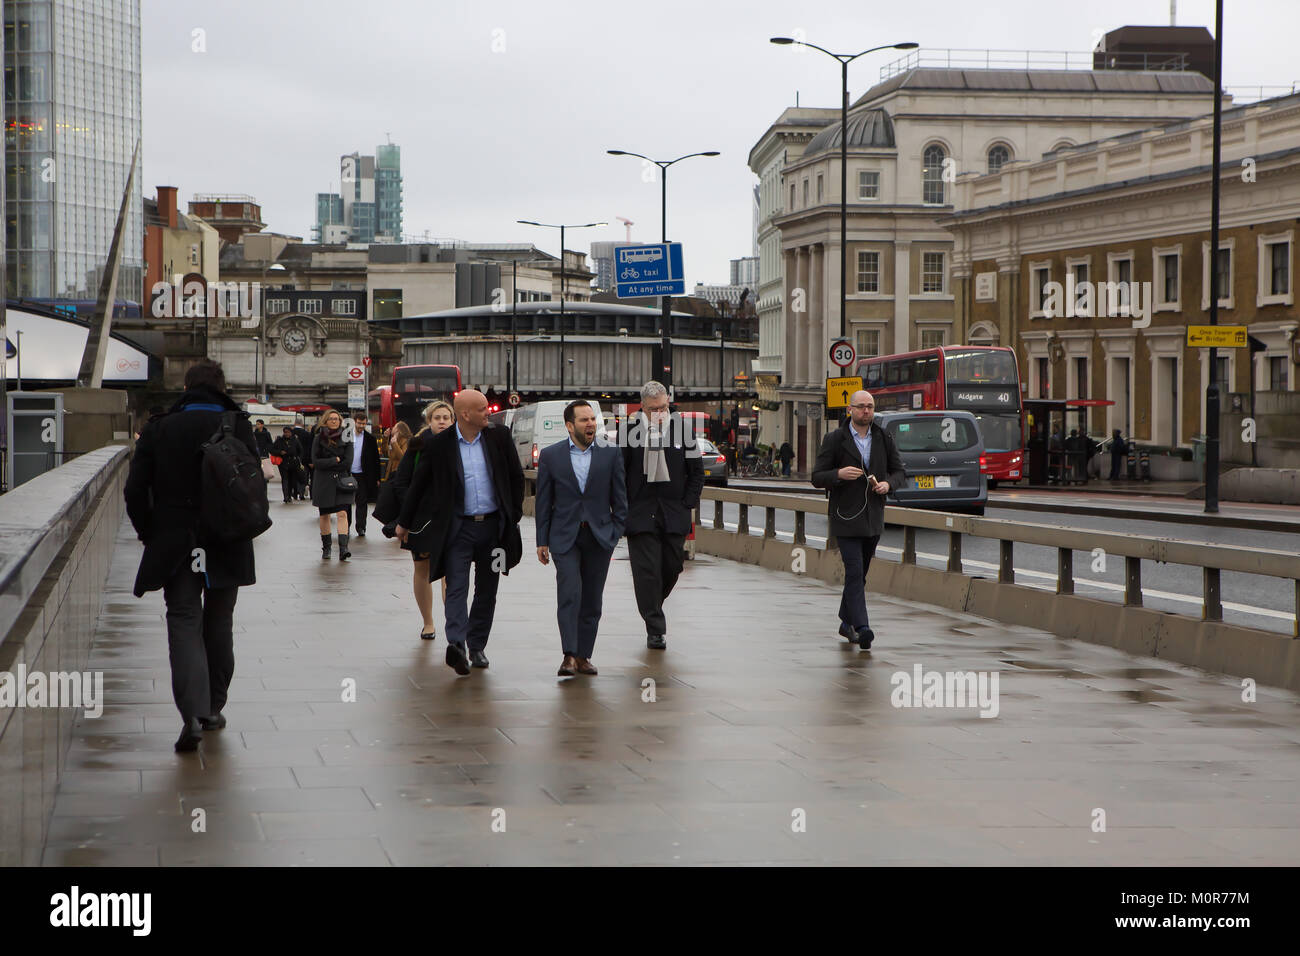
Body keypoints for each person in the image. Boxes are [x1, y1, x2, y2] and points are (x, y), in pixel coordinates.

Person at [123, 359, 257, 753]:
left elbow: (134, 491)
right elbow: (251, 485)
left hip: (177, 538)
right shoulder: (237, 424)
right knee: (220, 620)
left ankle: (192, 714)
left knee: (183, 619)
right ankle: (214, 707)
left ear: (186, 387)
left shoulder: (160, 427)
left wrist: (151, 532)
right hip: (227, 538)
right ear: (221, 386)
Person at [395, 389, 524, 675]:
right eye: (481, 409)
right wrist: (403, 523)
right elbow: (418, 485)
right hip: (458, 530)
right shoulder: (439, 445)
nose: (487, 412)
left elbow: (516, 477)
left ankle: (477, 645)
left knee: (488, 589)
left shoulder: (499, 437)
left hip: (494, 530)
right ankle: (457, 646)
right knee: (456, 586)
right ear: (465, 414)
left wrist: (512, 515)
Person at [535, 400, 627, 677]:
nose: (591, 424)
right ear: (569, 425)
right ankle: (569, 656)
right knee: (570, 593)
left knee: (591, 600)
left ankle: (584, 656)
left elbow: (620, 499)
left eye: (592, 419)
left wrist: (614, 533)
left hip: (599, 537)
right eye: (584, 420)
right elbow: (543, 501)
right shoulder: (551, 456)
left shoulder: (611, 454)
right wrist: (542, 539)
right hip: (564, 537)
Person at [811, 389, 905, 650]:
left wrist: (888, 484)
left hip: (872, 517)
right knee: (853, 570)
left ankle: (845, 622)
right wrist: (838, 474)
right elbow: (817, 477)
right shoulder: (835, 439)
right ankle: (862, 627)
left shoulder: (883, 437)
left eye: (871, 407)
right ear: (849, 410)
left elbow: (899, 471)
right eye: (861, 406)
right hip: (845, 517)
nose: (867, 411)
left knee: (860, 574)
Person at [621, 381, 705, 650]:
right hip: (640, 515)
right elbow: (619, 475)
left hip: (673, 514)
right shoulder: (629, 432)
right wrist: (623, 508)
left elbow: (696, 473)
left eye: (664, 407)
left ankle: (652, 603)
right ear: (643, 408)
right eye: (654, 409)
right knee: (647, 574)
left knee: (672, 567)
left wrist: (687, 504)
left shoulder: (683, 431)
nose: (660, 413)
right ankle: (655, 628)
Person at [382, 401, 454, 640]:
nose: (442, 421)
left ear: (453, 421)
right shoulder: (418, 445)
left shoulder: (461, 444)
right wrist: (412, 507)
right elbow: (401, 482)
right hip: (421, 519)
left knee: (450, 571)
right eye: (437, 418)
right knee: (422, 569)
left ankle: (453, 621)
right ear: (429, 421)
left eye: (446, 417)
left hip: (451, 517)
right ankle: (428, 622)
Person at [312, 410, 355, 560]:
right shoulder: (318, 438)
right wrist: (334, 461)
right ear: (325, 421)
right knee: (324, 515)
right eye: (331, 419)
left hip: (341, 481)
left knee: (342, 513)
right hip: (323, 482)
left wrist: (334, 464)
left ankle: (344, 548)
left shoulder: (347, 437)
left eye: (336, 419)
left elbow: (348, 462)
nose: (334, 421)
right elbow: (315, 461)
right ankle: (327, 548)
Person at [349, 411, 381, 537]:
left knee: (362, 502)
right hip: (348, 474)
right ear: (354, 421)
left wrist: (377, 478)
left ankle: (361, 527)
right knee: (346, 502)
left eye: (364, 423)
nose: (362, 426)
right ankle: (346, 526)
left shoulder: (370, 439)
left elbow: (376, 459)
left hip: (363, 475)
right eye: (359, 423)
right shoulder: (346, 436)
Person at [270, 426, 303, 504]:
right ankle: (286, 497)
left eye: (288, 432)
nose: (287, 434)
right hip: (283, 463)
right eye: (285, 432)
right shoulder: (279, 440)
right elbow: (272, 450)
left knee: (292, 479)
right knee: (285, 479)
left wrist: (299, 459)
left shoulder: (295, 440)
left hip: (293, 463)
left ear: (291, 433)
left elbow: (300, 451)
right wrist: (279, 452)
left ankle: (289, 494)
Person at [292, 415, 313, 500]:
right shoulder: (307, 434)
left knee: (293, 476)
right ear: (302, 424)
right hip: (304, 458)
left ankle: (294, 493)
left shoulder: (290, 433)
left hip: (292, 458)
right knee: (303, 476)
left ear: (294, 423)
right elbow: (309, 447)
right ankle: (301, 493)